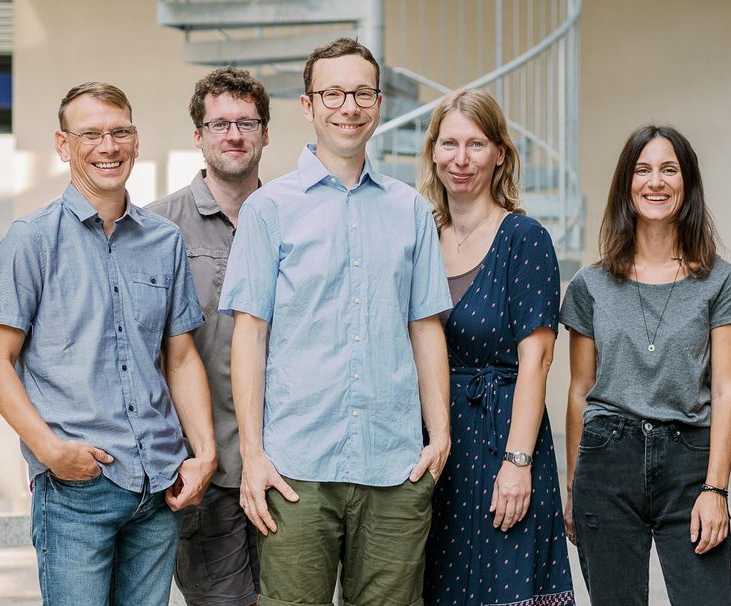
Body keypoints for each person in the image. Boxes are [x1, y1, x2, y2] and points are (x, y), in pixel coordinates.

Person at [218, 37, 452, 606]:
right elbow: (250, 334)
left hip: (395, 465)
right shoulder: (268, 208)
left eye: (362, 92)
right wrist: (253, 455)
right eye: (333, 93)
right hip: (295, 471)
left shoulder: (412, 210)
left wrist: (440, 434)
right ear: (307, 105)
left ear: (378, 103)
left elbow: (425, 326)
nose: (349, 105)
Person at [0, 82, 217, 605]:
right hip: (76, 487)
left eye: (119, 132)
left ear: (135, 140)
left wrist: (203, 454)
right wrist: (50, 452)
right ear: (63, 146)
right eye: (90, 134)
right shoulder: (31, 240)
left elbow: (179, 356)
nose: (107, 147)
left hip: (158, 486)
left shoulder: (164, 239)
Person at [560, 125, 731, 605]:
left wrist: (716, 489)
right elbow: (580, 390)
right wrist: (573, 485)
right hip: (607, 462)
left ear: (687, 184)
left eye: (669, 170)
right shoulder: (590, 285)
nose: (656, 182)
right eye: (643, 170)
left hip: (690, 460)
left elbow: (728, 391)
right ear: (627, 183)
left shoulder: (720, 283)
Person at [417, 88, 575, 606]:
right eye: (449, 144)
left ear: (500, 153)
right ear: (433, 152)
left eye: (476, 144)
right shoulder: (420, 237)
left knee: (506, 588)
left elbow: (539, 359)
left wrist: (518, 461)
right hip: (435, 442)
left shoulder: (524, 238)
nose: (461, 160)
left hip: (504, 436)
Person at [148, 67, 269, 606]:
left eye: (247, 123)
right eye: (219, 124)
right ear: (197, 135)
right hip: (202, 468)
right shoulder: (156, 229)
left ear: (266, 133)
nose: (234, 135)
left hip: (285, 464)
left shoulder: (293, 220)